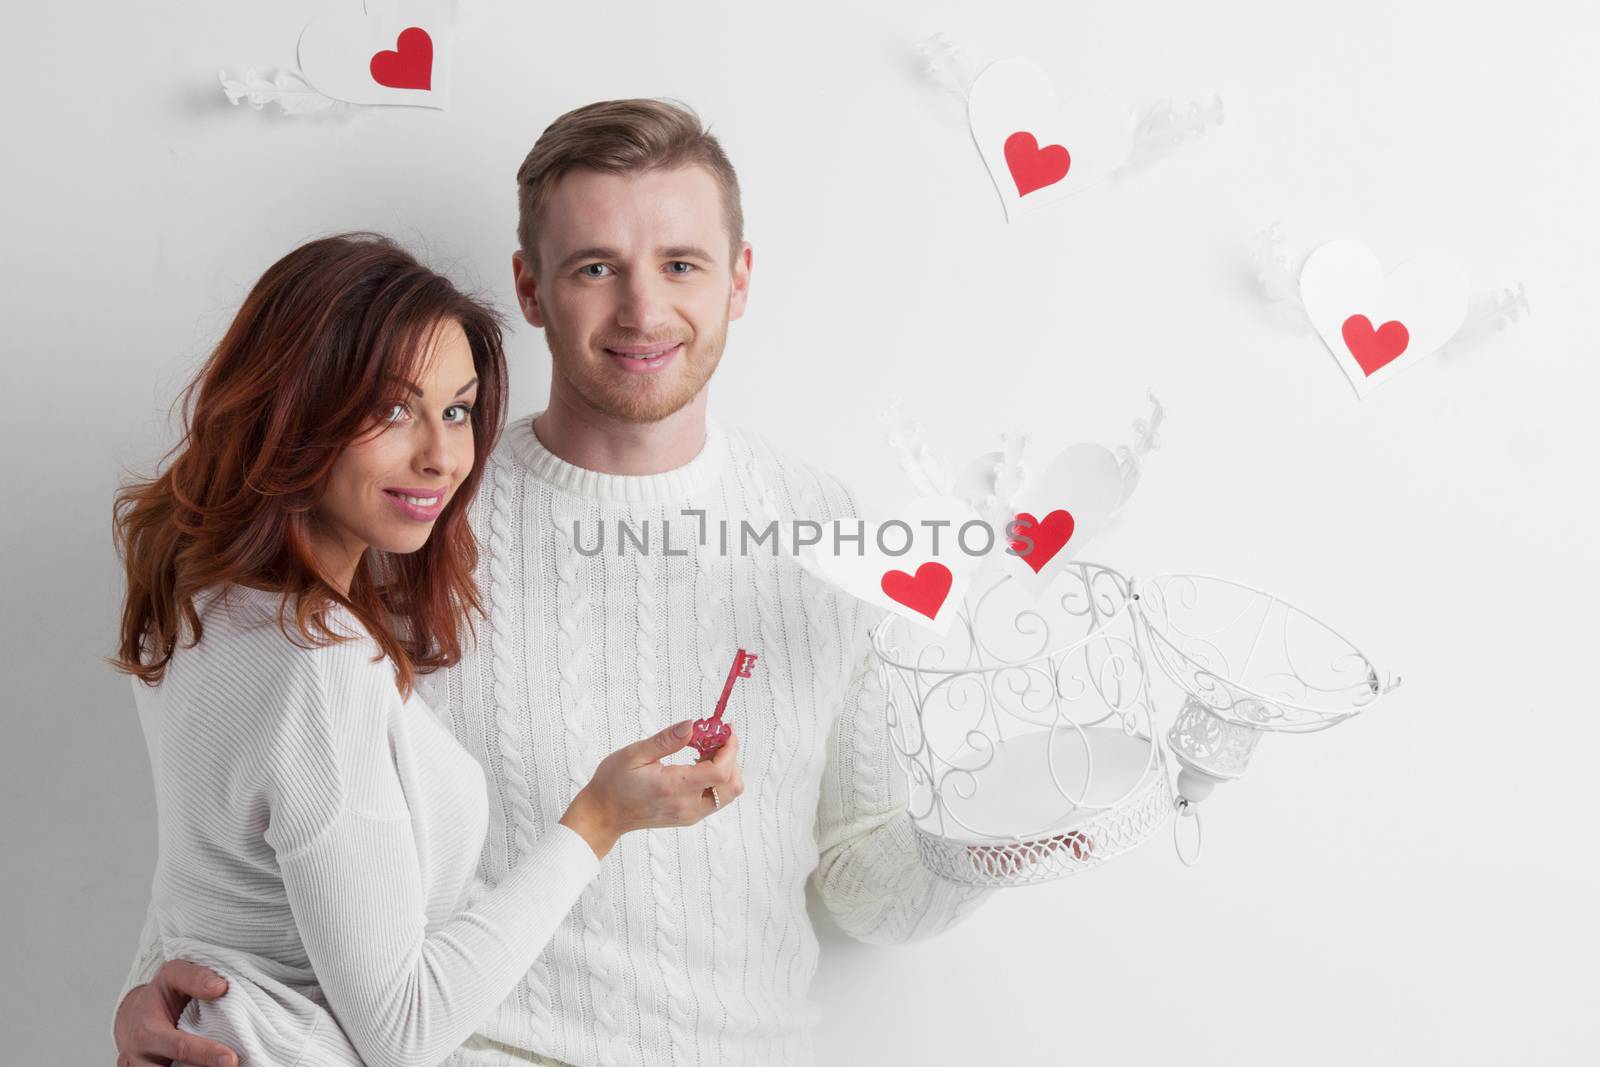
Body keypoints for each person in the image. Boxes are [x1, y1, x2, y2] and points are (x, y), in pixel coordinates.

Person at [113, 99, 1026, 1067]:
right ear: (532, 287)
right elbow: (245, 818)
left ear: (739, 280)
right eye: (596, 267)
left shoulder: (833, 532)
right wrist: (160, 991)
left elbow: (856, 868)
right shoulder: (402, 522)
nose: (641, 310)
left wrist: (998, 847)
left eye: (680, 263)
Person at [107, 232, 743, 1067]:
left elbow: (203, 895)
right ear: (297, 408)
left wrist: (143, 987)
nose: (443, 455)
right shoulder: (319, 665)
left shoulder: (194, 601)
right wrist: (598, 819)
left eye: (456, 409)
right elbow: (405, 1032)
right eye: (393, 408)